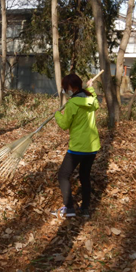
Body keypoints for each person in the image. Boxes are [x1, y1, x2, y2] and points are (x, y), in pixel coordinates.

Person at [51, 74, 100, 218]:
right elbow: (95, 101)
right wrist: (91, 88)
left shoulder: (72, 104)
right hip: (92, 147)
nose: (65, 91)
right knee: (84, 176)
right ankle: (85, 209)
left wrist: (57, 114)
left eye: (66, 88)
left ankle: (70, 208)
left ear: (72, 87)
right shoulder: (91, 100)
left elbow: (65, 124)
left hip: (78, 147)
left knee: (63, 176)